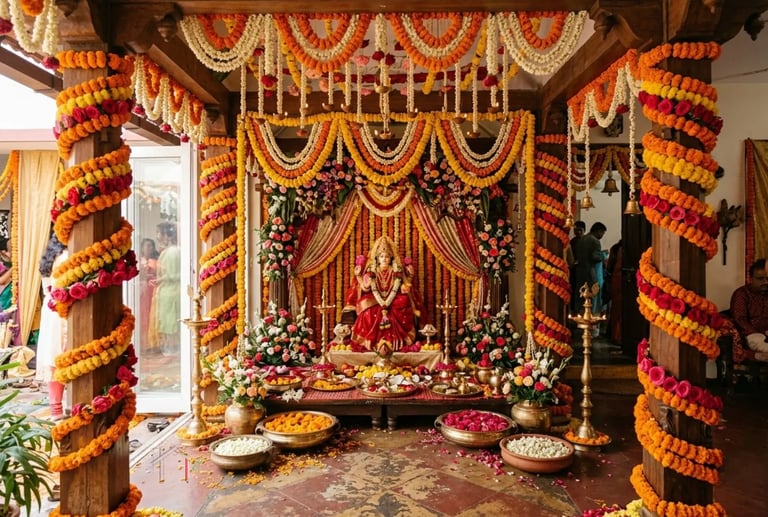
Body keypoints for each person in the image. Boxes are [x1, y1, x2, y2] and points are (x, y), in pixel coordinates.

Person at [343, 235, 424, 351]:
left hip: (393, 299)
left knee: (404, 301)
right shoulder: (372, 271)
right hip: (375, 299)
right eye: (381, 256)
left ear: (391, 258)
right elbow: (365, 288)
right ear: (377, 258)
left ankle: (397, 341)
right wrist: (360, 277)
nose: (384, 259)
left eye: (387, 256)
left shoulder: (396, 271)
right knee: (366, 308)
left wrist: (409, 277)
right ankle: (370, 342)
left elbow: (404, 286)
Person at [35, 233, 68, 420]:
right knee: (64, 356)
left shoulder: (49, 256)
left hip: (52, 308)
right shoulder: (68, 255)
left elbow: (47, 288)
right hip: (63, 308)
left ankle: (56, 408)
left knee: (54, 358)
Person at [729, 258, 768, 361]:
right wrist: (760, 333)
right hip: (752, 335)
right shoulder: (742, 294)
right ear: (751, 279)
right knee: (761, 343)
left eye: (767, 278)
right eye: (760, 279)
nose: (765, 282)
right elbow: (739, 319)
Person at [153, 222, 180, 356]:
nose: (157, 236)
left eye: (159, 233)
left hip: (170, 292)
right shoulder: (170, 251)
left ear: (167, 235)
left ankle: (172, 347)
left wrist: (159, 280)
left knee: (170, 321)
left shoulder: (172, 252)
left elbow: (173, 274)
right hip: (168, 291)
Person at [572, 222, 607, 318]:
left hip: (580, 272)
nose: (602, 236)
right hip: (591, 273)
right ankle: (592, 317)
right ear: (599, 231)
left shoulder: (582, 239)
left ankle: (580, 317)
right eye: (602, 233)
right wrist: (604, 255)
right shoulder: (595, 241)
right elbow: (595, 257)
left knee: (581, 295)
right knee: (593, 296)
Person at [139, 238, 160, 353]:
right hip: (142, 291)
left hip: (153, 290)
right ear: (142, 248)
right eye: (147, 246)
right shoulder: (139, 261)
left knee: (151, 315)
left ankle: (152, 344)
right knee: (143, 315)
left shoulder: (156, 261)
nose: (149, 248)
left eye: (151, 246)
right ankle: (142, 344)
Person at [606, 239, 623, 344]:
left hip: (616, 279)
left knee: (616, 308)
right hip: (620, 280)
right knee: (619, 309)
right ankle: (617, 336)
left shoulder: (615, 248)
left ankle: (614, 334)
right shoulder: (620, 249)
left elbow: (609, 267)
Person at [567, 221, 586, 314]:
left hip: (583, 269)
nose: (578, 232)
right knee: (573, 289)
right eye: (576, 230)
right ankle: (574, 309)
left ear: (584, 230)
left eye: (580, 230)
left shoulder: (586, 241)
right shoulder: (572, 242)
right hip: (573, 269)